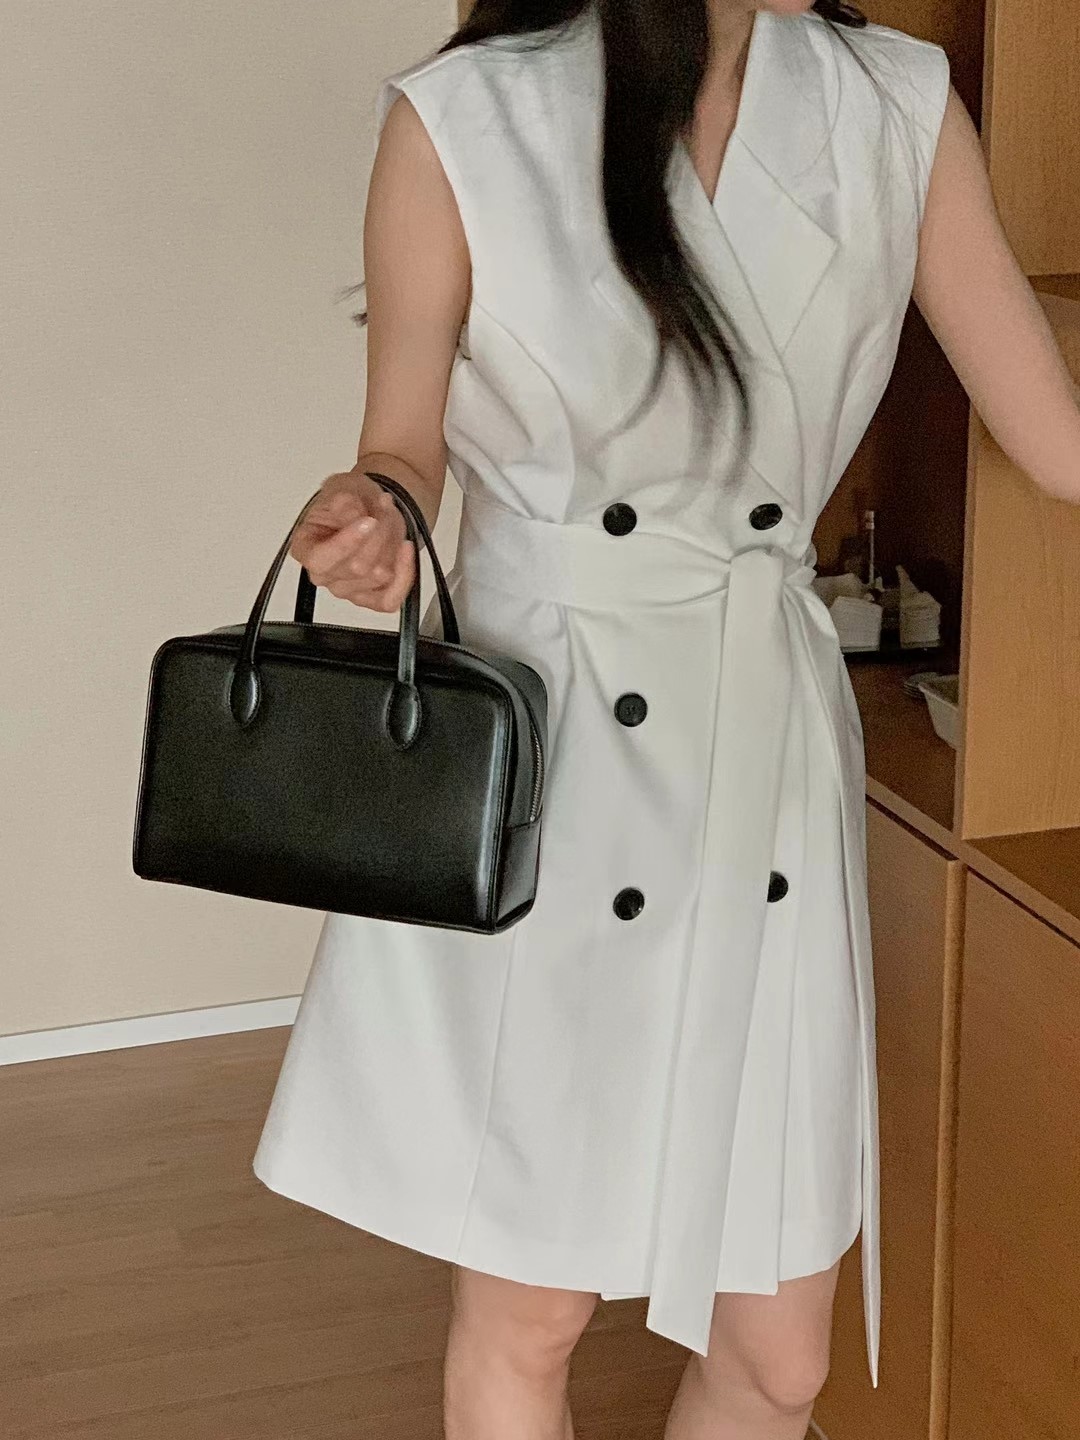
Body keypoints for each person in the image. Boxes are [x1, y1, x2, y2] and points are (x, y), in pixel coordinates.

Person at [252, 2, 1080, 1436]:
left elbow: (1056, 442)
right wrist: (375, 517)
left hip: (764, 757)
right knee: (530, 1315)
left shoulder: (895, 102)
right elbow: (403, 445)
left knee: (781, 1356)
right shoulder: (469, 117)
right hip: (555, 756)